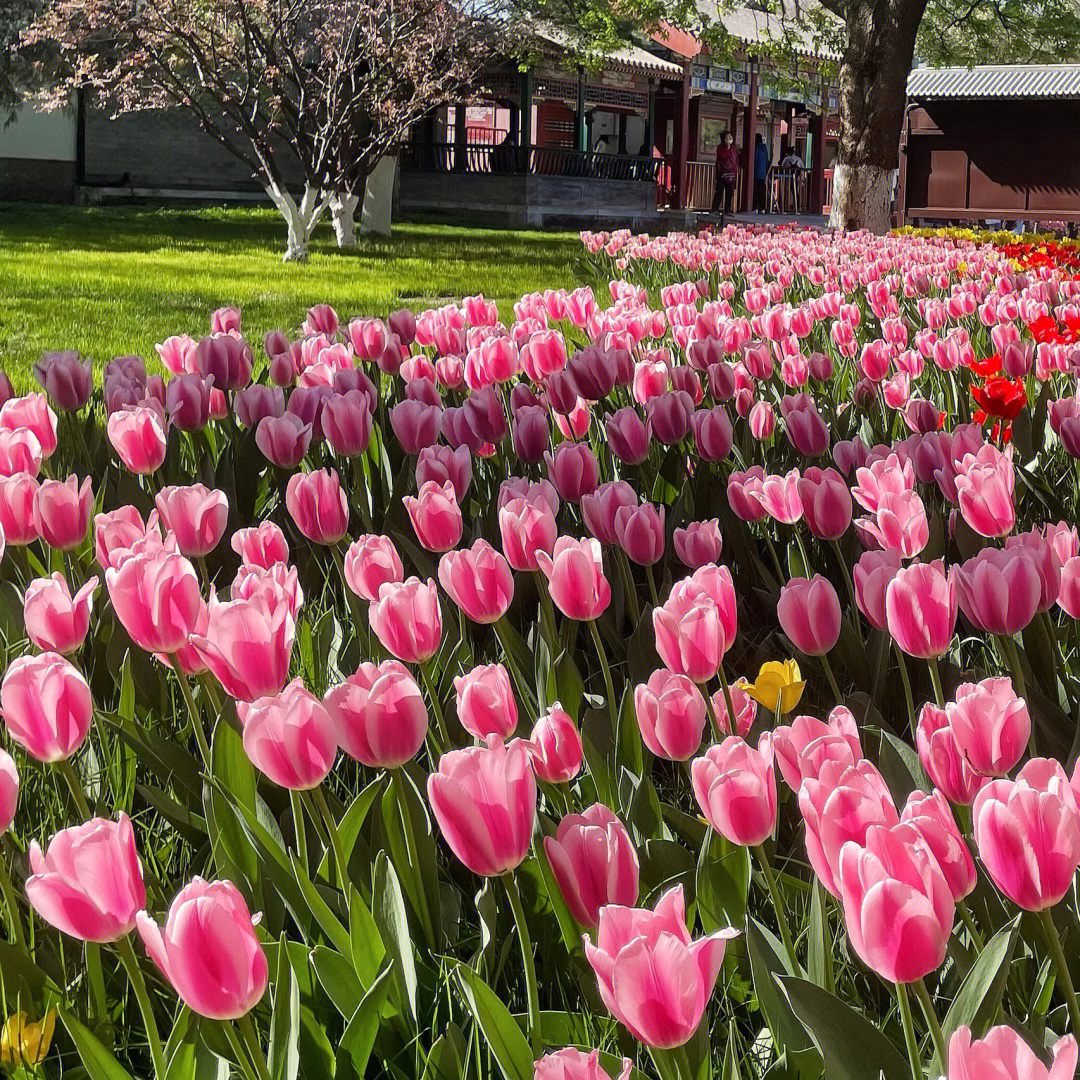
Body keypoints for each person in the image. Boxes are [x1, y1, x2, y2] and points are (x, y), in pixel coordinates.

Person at [712, 131, 739, 220]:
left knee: (729, 193)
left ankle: (727, 210)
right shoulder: (720, 148)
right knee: (719, 192)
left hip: (731, 173)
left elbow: (735, 160)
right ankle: (715, 209)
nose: (730, 139)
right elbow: (723, 157)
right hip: (722, 174)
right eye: (728, 138)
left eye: (730, 137)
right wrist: (727, 148)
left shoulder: (733, 149)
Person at [754, 133, 770, 214]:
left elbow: (755, 160)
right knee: (762, 191)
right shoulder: (764, 148)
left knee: (755, 191)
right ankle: (762, 208)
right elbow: (767, 160)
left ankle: (755, 207)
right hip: (763, 173)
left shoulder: (755, 148)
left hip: (755, 172)